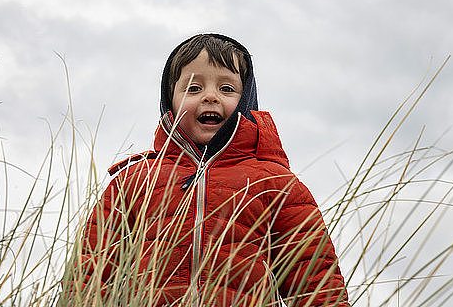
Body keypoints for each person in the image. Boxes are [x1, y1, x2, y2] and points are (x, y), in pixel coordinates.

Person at [70, 34, 350, 306]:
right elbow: (90, 274)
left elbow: (317, 283)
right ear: (171, 101)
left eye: (226, 89)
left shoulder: (275, 181)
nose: (210, 97)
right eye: (193, 88)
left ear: (245, 101)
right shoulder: (134, 180)